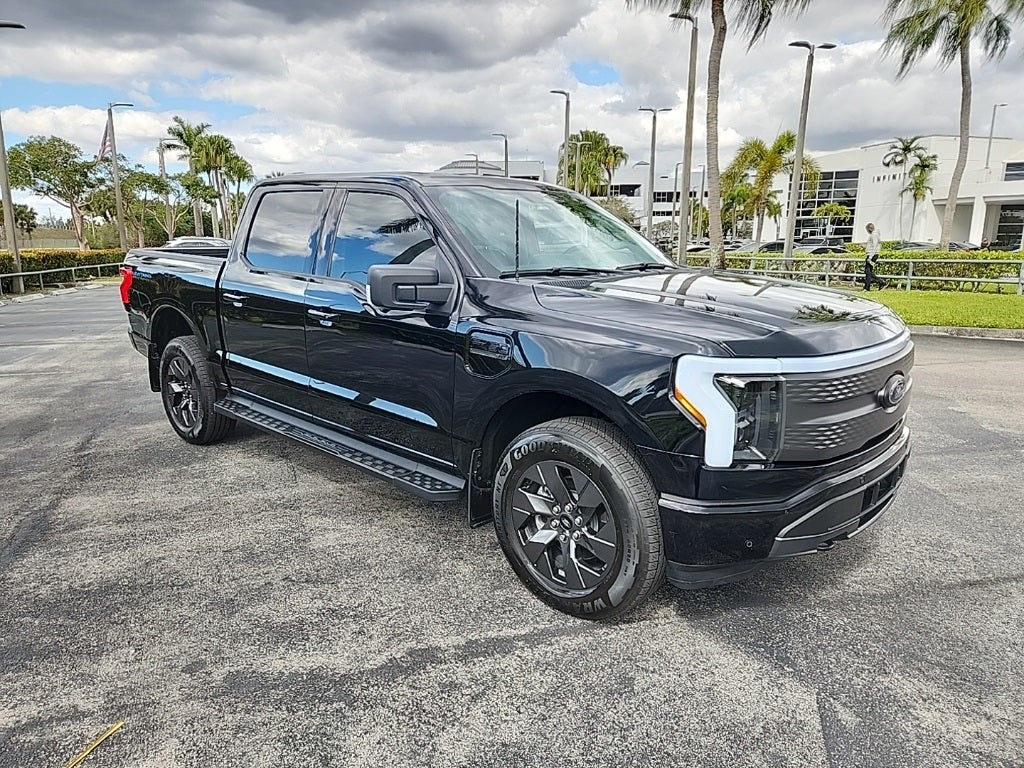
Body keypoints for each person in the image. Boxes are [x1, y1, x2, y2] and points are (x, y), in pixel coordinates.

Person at [863, 223, 885, 291]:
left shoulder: (874, 235)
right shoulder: (874, 235)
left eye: (867, 230)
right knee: (868, 271)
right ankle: (868, 286)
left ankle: (879, 282)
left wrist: (870, 257)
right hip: (872, 254)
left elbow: (874, 246)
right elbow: (872, 246)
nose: (867, 231)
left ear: (870, 228)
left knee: (868, 271)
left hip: (872, 255)